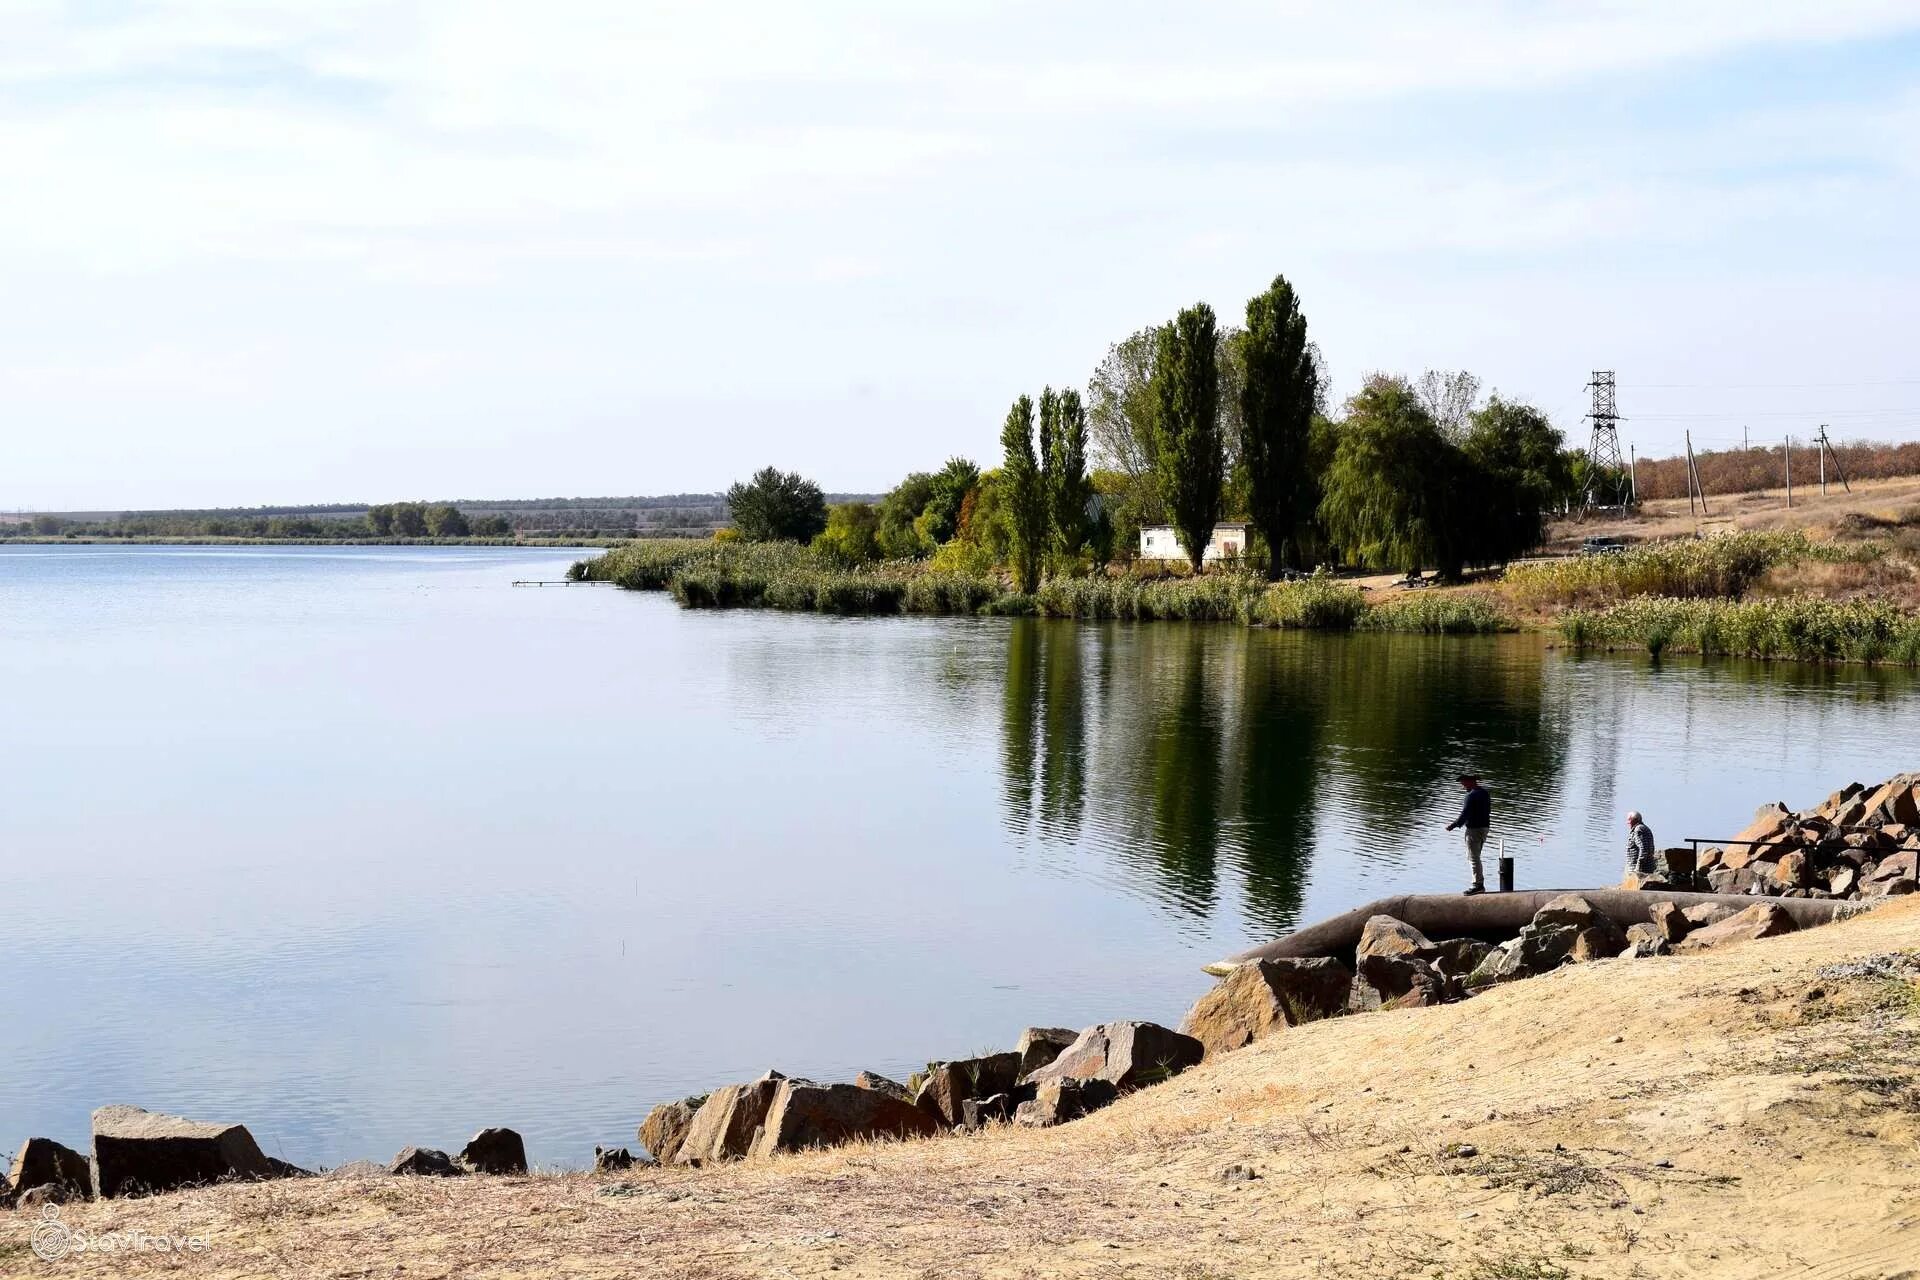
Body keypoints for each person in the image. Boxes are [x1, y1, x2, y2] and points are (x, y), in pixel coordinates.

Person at [1444, 773, 1492, 895]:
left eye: (1463, 783)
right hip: (1484, 828)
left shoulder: (1470, 796)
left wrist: (1453, 825)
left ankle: (1477, 885)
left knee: (1473, 857)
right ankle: (1479, 884)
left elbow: (1465, 814)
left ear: (1471, 782)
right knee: (1477, 856)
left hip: (1473, 830)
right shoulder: (1485, 793)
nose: (1463, 786)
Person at [1625, 810, 1657, 879]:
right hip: (1645, 868)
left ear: (1635, 820)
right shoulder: (1644, 828)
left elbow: (1644, 849)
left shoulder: (1638, 830)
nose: (1627, 822)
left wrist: (1638, 867)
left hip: (1640, 870)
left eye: (1629, 820)